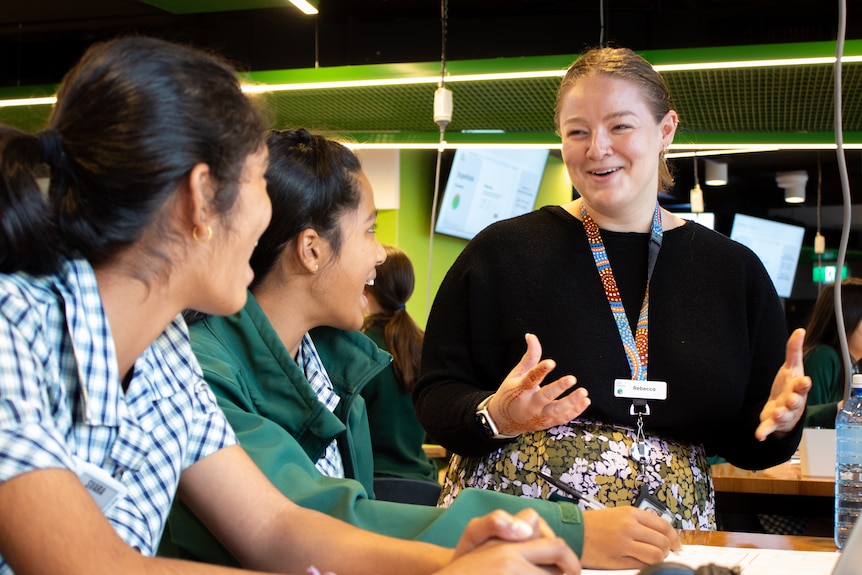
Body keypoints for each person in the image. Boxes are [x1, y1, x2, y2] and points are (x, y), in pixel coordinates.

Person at [0, 37, 581, 575]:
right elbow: (97, 566)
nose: (265, 220)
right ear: (202, 198)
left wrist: (447, 561)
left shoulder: (163, 352)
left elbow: (273, 525)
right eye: (258, 182)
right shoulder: (13, 334)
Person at [165, 128, 680, 571]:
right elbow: (311, 522)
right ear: (312, 249)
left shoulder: (331, 367)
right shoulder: (202, 371)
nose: (380, 251)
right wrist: (565, 532)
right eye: (369, 229)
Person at [413, 45, 811, 532]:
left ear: (666, 131)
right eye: (577, 131)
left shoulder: (733, 272)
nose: (597, 148)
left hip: (669, 533)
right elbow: (435, 396)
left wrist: (781, 422)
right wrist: (498, 415)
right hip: (519, 527)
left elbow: (752, 442)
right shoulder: (500, 252)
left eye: (620, 126)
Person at [361, 244, 438, 483]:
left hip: (371, 485)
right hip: (425, 484)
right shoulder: (426, 344)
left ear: (367, 281)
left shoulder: (358, 348)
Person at [802, 278, 862, 427]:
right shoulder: (823, 357)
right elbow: (800, 418)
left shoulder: (856, 365)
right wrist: (842, 408)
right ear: (846, 319)